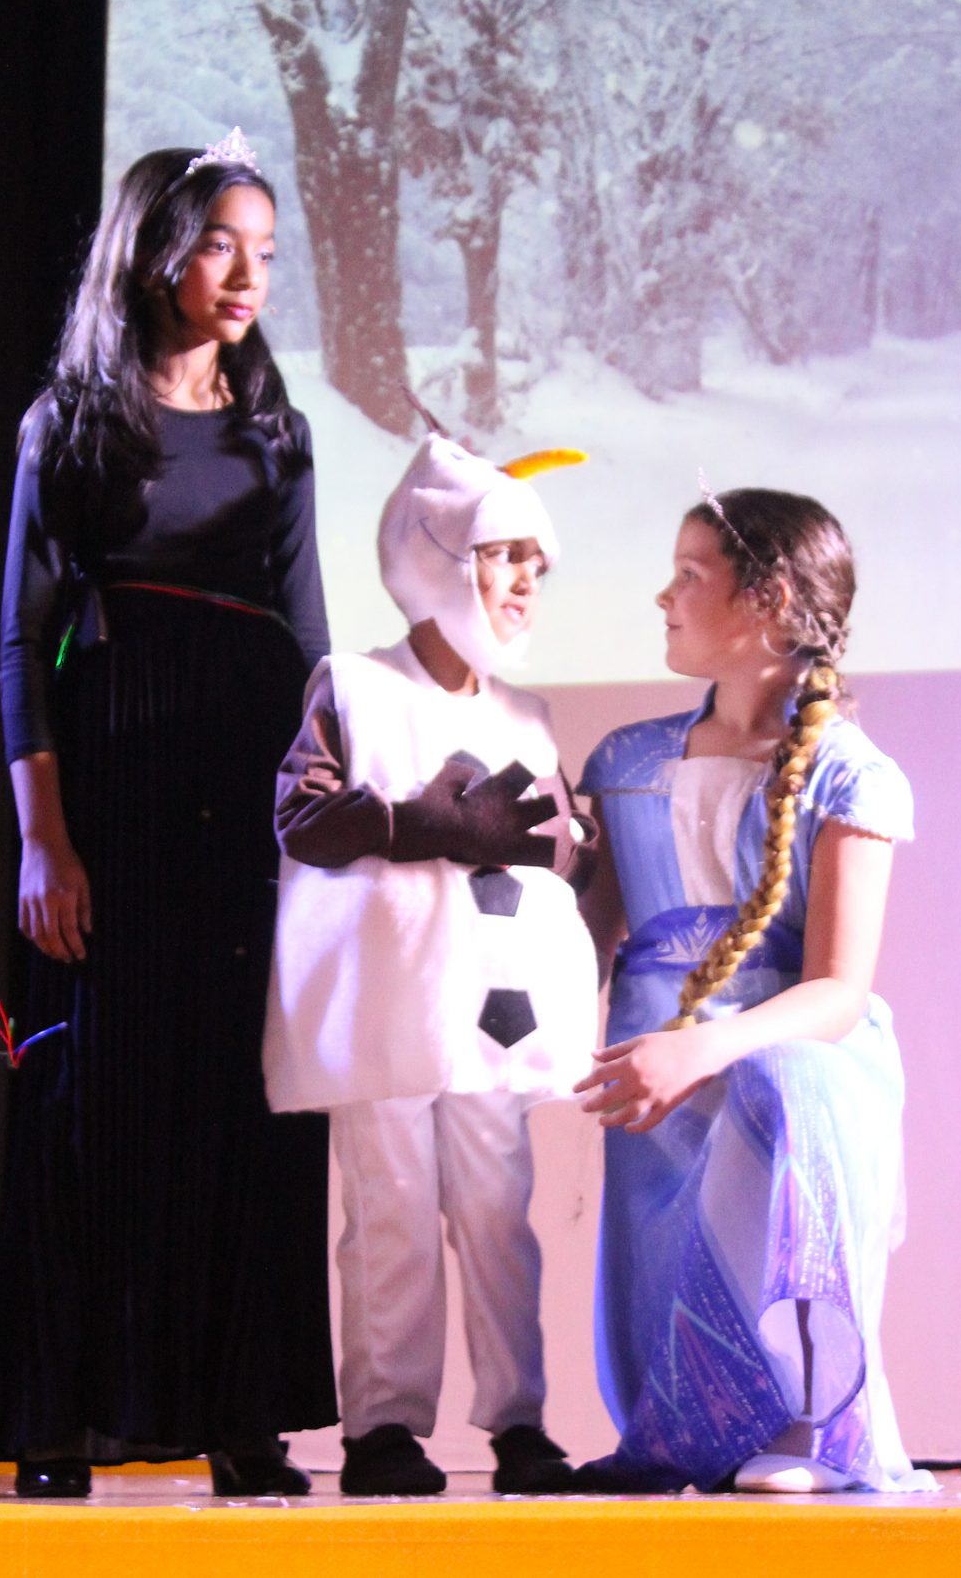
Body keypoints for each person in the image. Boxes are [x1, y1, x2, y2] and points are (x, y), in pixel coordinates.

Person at [0, 133, 336, 1498]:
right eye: (222, 244)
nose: (247, 275)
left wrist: (326, 796)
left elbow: (310, 636)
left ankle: (244, 1415)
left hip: (245, 779)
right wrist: (43, 837)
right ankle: (61, 1417)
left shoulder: (276, 430)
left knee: (245, 1095)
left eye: (266, 252)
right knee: (94, 1093)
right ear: (156, 250)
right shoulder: (70, 423)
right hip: (114, 772)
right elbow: (23, 640)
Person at [568, 489, 934, 1495]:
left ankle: (816, 1424)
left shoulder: (850, 774)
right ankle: (679, 1431)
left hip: (784, 1061)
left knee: (785, 1085)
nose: (665, 595)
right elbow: (586, 941)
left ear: (767, 601)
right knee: (671, 1259)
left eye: (691, 575)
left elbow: (838, 993)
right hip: (657, 1059)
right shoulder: (626, 762)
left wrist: (701, 1048)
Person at [266, 436, 597, 1497]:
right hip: (389, 1012)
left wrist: (560, 843)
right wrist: (424, 822)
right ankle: (384, 1428)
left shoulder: (525, 716)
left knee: (500, 1218)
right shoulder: (356, 688)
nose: (524, 583)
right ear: (439, 554)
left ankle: (519, 1423)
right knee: (391, 1216)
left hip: (497, 1015)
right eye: (504, 557)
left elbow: (563, 847)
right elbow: (303, 816)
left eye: (536, 564)